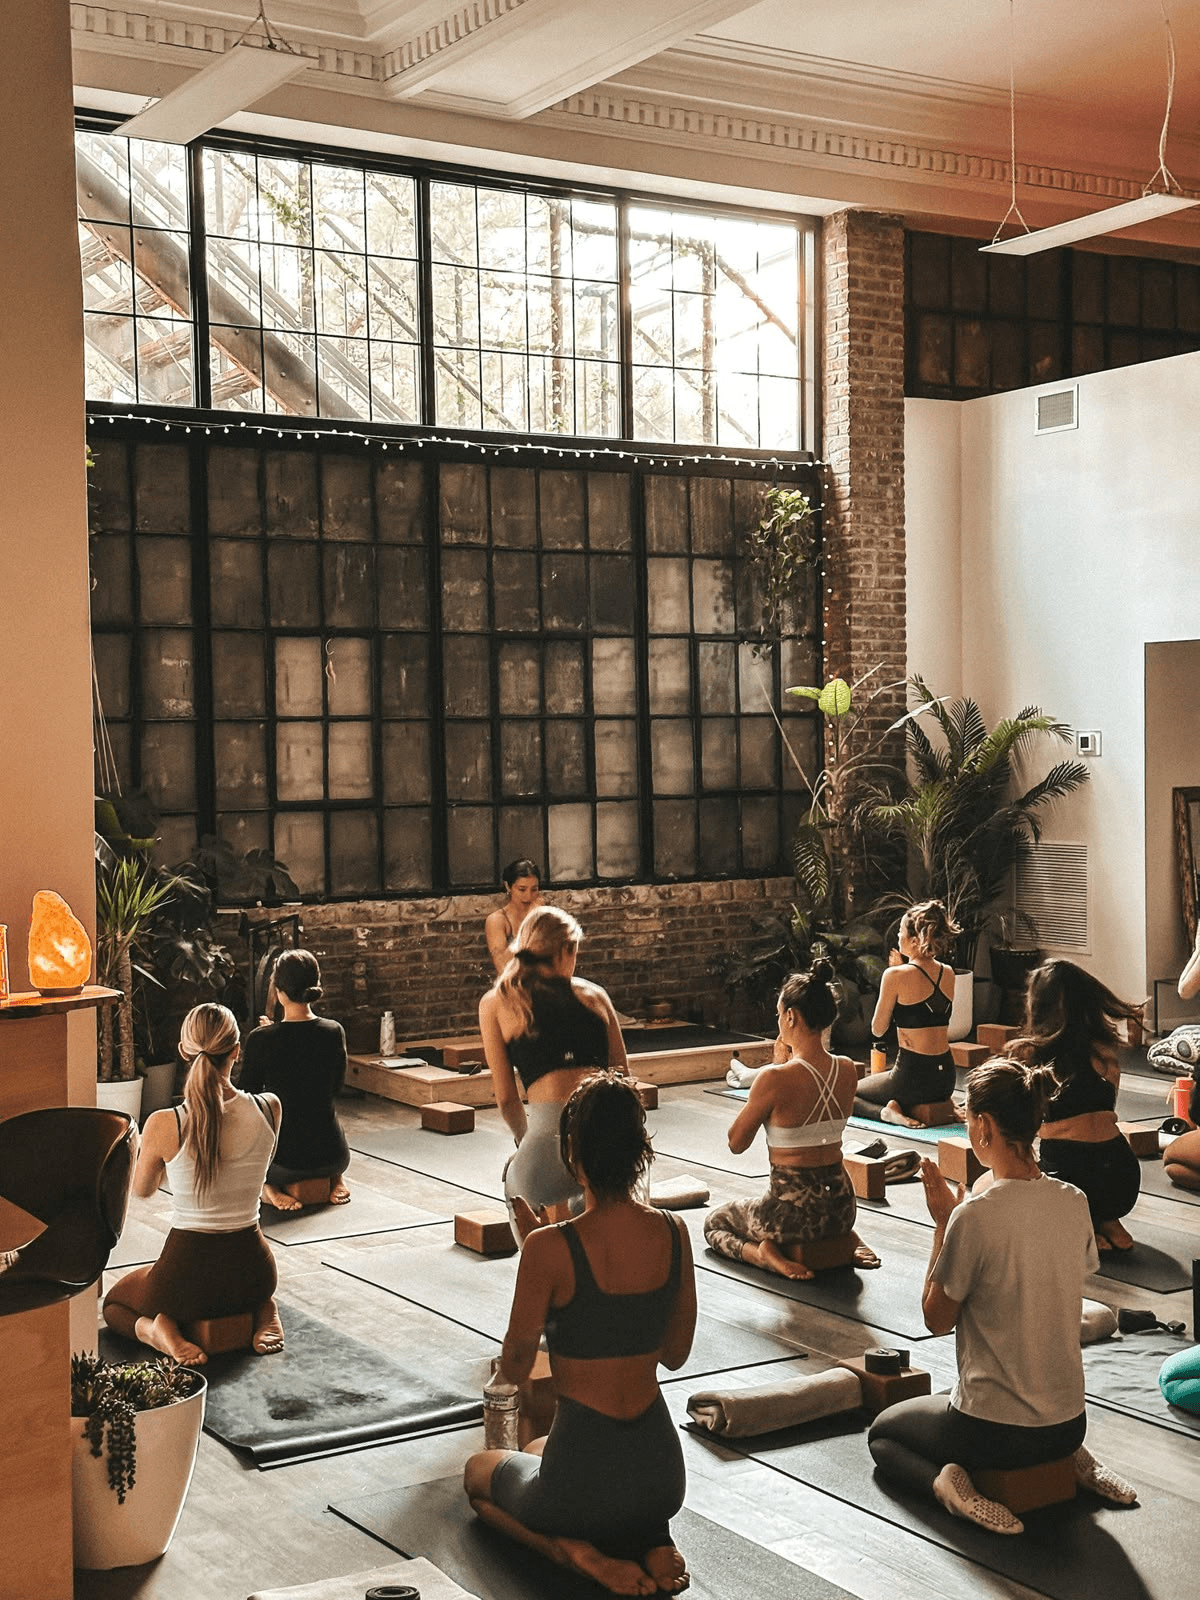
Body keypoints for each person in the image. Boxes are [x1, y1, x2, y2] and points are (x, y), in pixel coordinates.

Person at [868, 1060, 1137, 1535]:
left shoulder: (974, 1216)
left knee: (885, 1434)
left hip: (994, 1436)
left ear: (985, 1125)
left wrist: (942, 1227)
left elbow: (935, 1320)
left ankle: (950, 1486)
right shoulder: (1074, 1201)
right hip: (1069, 1424)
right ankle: (1071, 1461)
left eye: (968, 1117)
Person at [463, 1073, 696, 1596]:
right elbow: (676, 1354)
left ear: (573, 1152)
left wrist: (536, 1260)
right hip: (660, 1476)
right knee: (546, 1447)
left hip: (581, 1481)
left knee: (478, 1477)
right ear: (640, 1150)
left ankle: (579, 1555)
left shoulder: (549, 1247)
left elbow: (516, 1367)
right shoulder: (674, 1232)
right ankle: (653, 1542)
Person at [103, 1003, 283, 1366]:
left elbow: (142, 1190)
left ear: (185, 1052)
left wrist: (142, 1147)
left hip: (184, 1280)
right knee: (251, 1291)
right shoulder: (270, 1108)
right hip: (254, 1271)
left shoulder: (166, 1122)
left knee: (114, 1305)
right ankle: (265, 1312)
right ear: (236, 1050)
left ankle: (157, 1332)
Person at [705, 961, 881, 1278]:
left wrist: (772, 1072)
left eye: (778, 1014)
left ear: (790, 1016)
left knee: (715, 1223)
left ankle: (762, 1254)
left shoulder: (773, 1079)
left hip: (790, 1217)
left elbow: (736, 1142)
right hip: (843, 1209)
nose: (778, 1021)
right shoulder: (847, 1070)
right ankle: (845, 1240)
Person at [480, 906, 628, 1242]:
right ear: (566, 950)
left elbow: (506, 1100)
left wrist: (525, 1143)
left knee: (515, 1176)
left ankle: (541, 1264)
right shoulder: (595, 996)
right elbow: (624, 1082)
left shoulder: (496, 1003)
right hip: (606, 1155)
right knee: (586, 1192)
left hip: (543, 1162)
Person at [1006, 959, 1142, 1251]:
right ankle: (1106, 1221)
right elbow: (1102, 1113)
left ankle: (1086, 1228)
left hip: (1071, 1179)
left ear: (1038, 1005)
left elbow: (1021, 1129)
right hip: (1123, 1178)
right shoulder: (1105, 1054)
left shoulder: (1028, 1055)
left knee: (1012, 1196)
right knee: (1092, 1165)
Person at [239, 948, 351, 1212]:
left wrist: (266, 1040)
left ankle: (267, 1189)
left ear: (279, 991)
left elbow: (247, 1096)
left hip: (283, 1164)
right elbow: (336, 1087)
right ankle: (336, 1179)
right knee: (324, 1114)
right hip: (334, 1156)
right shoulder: (334, 1031)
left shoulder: (261, 1039)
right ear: (316, 985)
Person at [856, 900, 961, 1126]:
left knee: (846, 1093)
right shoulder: (949, 973)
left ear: (915, 940)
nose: (898, 936)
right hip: (946, 1080)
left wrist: (891, 981)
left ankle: (886, 1113)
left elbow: (878, 1029)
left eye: (901, 931)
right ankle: (945, 1103)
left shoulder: (895, 976)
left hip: (913, 1078)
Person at [486, 859, 543, 975]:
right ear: (508, 887)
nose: (528, 896)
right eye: (522, 890)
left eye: (534, 889)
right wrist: (529, 922)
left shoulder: (542, 914)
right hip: (512, 988)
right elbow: (503, 967)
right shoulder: (497, 920)